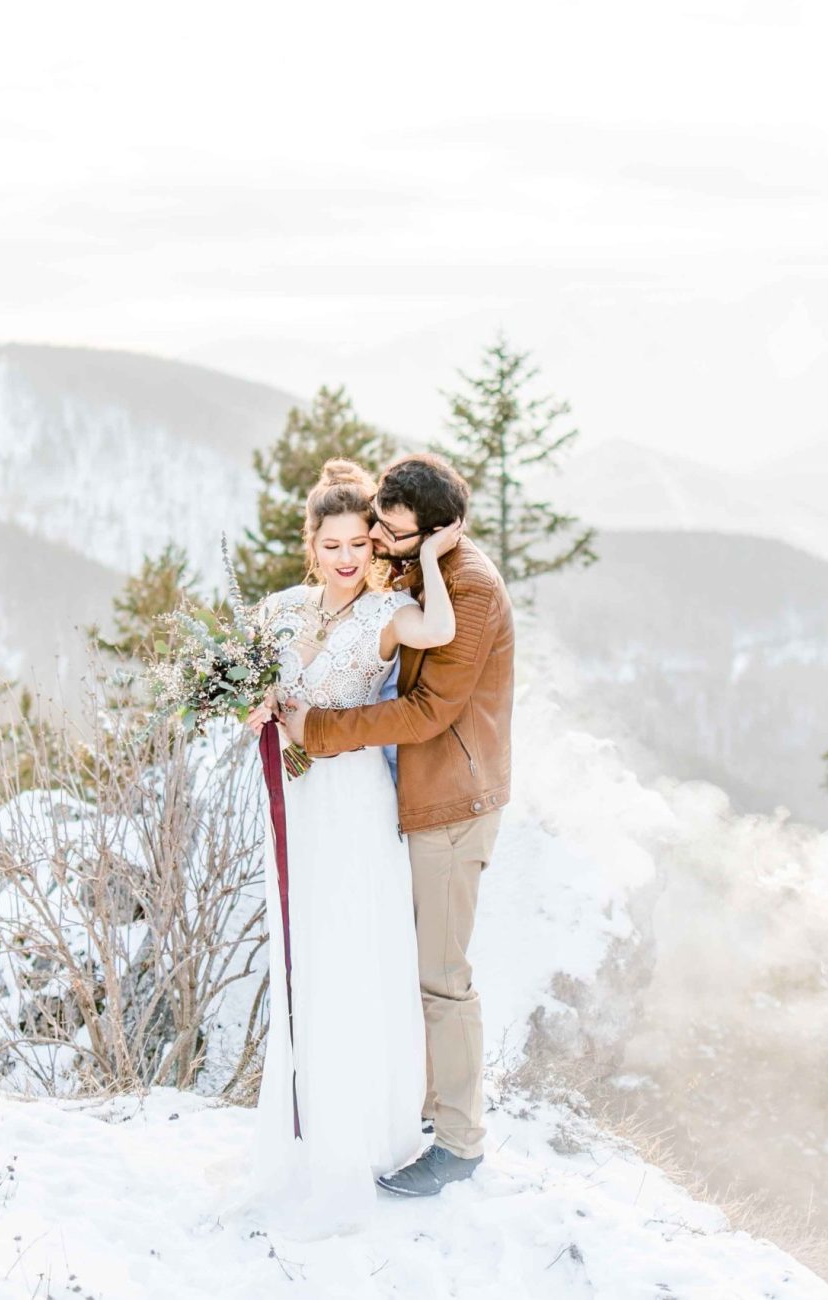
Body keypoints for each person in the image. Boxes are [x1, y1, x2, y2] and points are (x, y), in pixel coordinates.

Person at [281, 451, 515, 1198]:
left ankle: (458, 1143)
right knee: (401, 964)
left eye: (391, 531)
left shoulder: (469, 590)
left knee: (441, 980)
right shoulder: (422, 561)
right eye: (375, 521)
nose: (377, 540)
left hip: (453, 802)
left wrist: (316, 729)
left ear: (439, 532)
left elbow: (428, 711)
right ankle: (412, 1110)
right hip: (416, 797)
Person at [240, 458, 464, 1232]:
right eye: (331, 544)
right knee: (305, 958)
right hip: (293, 803)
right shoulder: (276, 612)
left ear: (374, 548)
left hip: (354, 805)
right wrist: (253, 706)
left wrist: (428, 557)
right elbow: (248, 693)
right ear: (312, 545)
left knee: (350, 953)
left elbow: (441, 629)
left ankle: (361, 1132)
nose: (345, 558)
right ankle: (309, 1130)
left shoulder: (384, 616)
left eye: (358, 545)